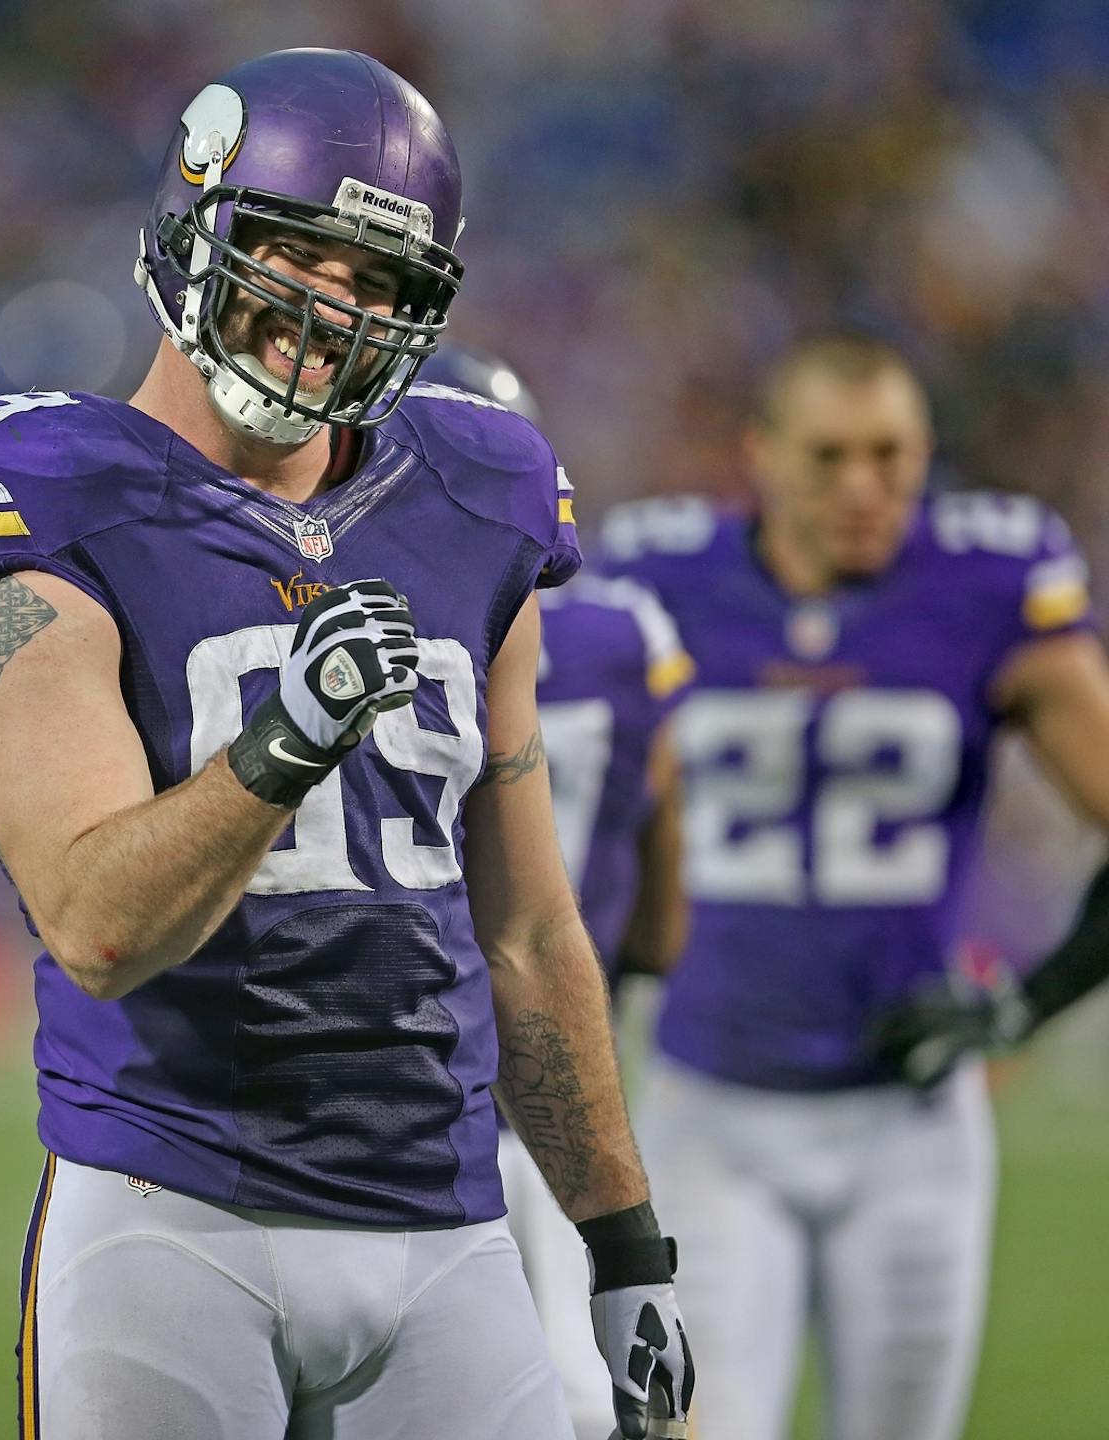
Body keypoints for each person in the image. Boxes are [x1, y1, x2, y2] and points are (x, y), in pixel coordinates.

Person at [0, 49, 692, 1439]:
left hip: (448, 1224)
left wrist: (624, 1245)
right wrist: (284, 741)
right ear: (198, 230)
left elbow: (531, 930)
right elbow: (94, 922)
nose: (334, 311)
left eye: (381, 284)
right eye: (299, 255)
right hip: (171, 1210)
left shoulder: (479, 494)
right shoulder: (32, 489)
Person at [601, 332, 1109, 1440]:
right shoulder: (657, 577)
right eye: (829, 457)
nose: (863, 486)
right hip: (712, 1107)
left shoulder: (985, 582)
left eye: (891, 454)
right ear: (762, 456)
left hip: (909, 1121)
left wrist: (1034, 1000)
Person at [433, 347, 694, 1440]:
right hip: (562, 1044)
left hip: (419, 1058)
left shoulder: (350, 610)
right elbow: (665, 863)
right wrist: (624, 982)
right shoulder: (627, 636)